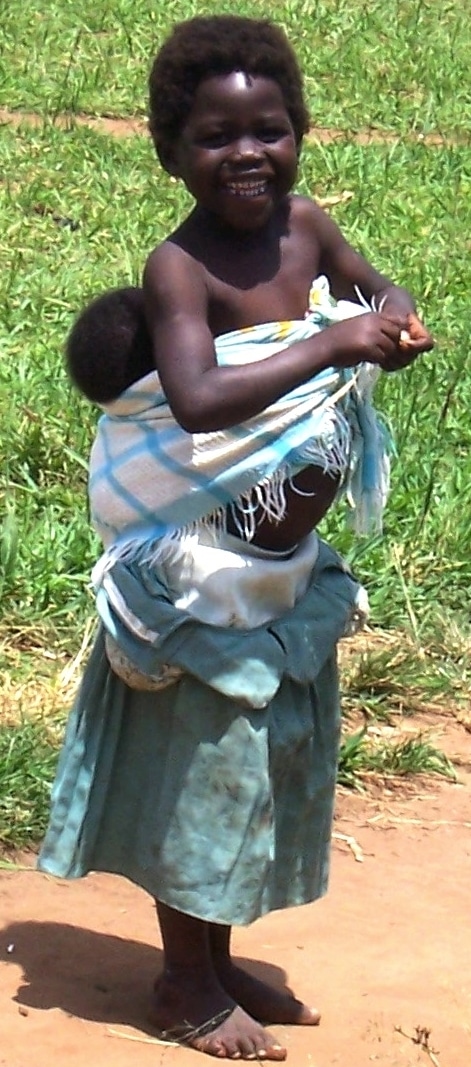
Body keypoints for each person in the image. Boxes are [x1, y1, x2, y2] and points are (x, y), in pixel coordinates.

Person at [39, 14, 434, 1062]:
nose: (247, 153)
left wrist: (389, 321)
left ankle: (214, 960)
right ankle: (181, 980)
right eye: (216, 137)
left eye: (269, 128)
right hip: (200, 577)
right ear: (171, 151)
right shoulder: (181, 268)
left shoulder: (306, 230)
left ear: (300, 131)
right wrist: (332, 342)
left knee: (253, 775)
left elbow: (371, 291)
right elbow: (201, 399)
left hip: (278, 572)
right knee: (203, 778)